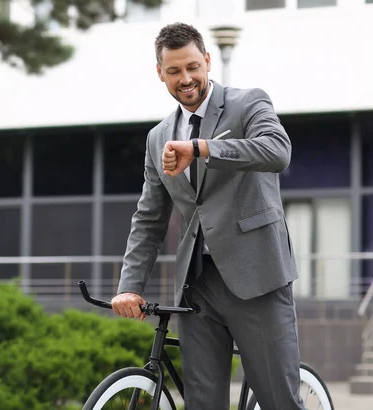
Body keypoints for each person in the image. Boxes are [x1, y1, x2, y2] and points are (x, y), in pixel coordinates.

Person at [111, 22, 305, 410]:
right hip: (196, 288)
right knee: (203, 404)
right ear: (160, 73)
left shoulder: (248, 102)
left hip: (257, 277)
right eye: (174, 71)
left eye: (193, 67)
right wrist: (130, 284)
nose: (186, 79)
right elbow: (149, 218)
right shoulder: (157, 137)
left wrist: (201, 147)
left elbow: (276, 152)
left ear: (207, 61)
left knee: (279, 401)